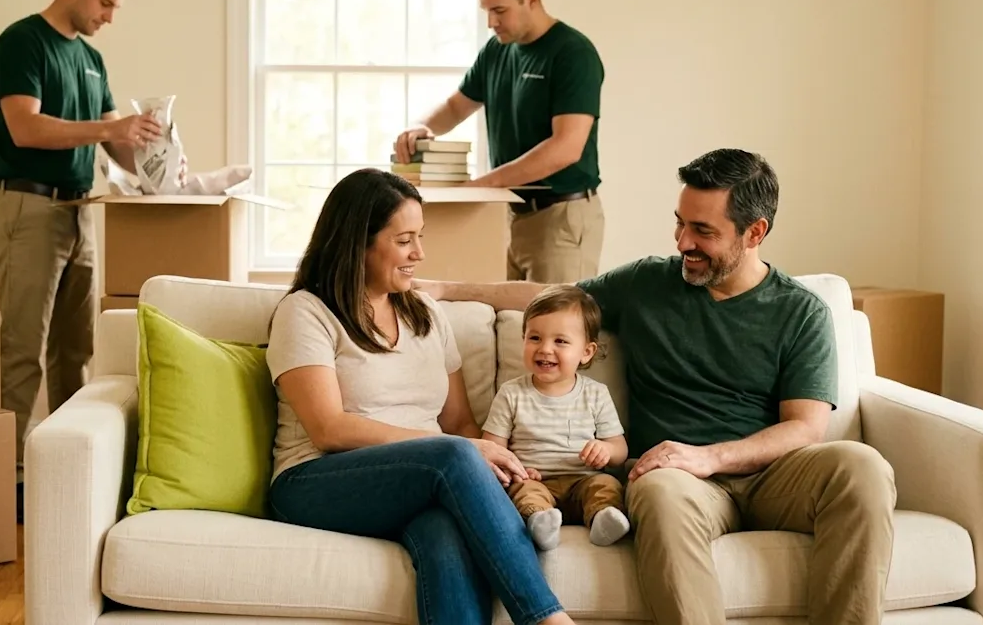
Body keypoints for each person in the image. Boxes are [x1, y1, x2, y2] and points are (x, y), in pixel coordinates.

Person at [415, 148, 897, 625]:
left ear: (755, 233)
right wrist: (447, 289)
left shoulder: (800, 311)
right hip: (675, 478)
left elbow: (806, 427)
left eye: (703, 231)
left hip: (772, 474)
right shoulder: (648, 283)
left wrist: (712, 456)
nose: (683, 241)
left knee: (863, 466)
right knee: (660, 493)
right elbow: (552, 299)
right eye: (680, 223)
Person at [265, 168, 578, 625]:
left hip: (421, 479)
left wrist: (492, 467)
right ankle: (548, 620)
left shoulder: (426, 313)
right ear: (359, 242)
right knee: (452, 457)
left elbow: (459, 424)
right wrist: (463, 452)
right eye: (404, 239)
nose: (420, 253)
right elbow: (328, 429)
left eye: (420, 237)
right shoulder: (306, 313)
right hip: (312, 481)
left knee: (444, 531)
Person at [0, 0, 180, 522]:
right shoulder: (21, 41)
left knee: (76, 352)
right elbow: (24, 127)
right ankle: (6, 485)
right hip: (28, 209)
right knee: (23, 351)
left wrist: (155, 148)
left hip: (80, 212)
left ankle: (63, 476)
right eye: (104, 2)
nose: (109, 16)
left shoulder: (92, 61)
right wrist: (109, 125)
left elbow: (114, 144)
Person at [393, 0, 606, 284]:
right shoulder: (496, 50)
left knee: (558, 327)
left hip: (561, 218)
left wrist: (482, 186)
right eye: (487, 11)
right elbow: (456, 107)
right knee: (511, 326)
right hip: (510, 215)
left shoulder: (572, 54)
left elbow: (567, 147)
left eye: (499, 10)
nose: (492, 22)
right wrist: (422, 127)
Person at [481, 284, 630, 551]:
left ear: (586, 351)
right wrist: (515, 470)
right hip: (535, 481)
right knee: (525, 493)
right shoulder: (512, 393)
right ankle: (540, 522)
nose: (545, 349)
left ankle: (602, 519)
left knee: (605, 484)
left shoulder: (596, 394)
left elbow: (620, 449)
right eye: (535, 338)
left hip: (583, 480)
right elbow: (492, 449)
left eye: (560, 341)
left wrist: (606, 449)